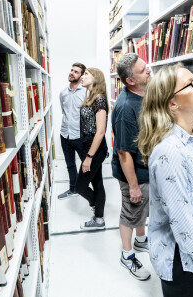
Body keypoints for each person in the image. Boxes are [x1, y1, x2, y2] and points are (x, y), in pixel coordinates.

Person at [138, 63, 193, 297]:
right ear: (172, 104)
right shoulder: (170, 152)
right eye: (192, 83)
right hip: (183, 263)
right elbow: (181, 217)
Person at [111, 53, 151, 281]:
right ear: (130, 81)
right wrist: (133, 186)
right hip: (132, 173)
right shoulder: (126, 107)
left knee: (141, 210)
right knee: (132, 210)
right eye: (142, 69)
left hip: (143, 169)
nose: (148, 70)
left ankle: (141, 240)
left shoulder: (143, 94)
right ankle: (127, 256)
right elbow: (123, 152)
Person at [75, 68, 108, 230]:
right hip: (88, 146)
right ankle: (99, 218)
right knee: (97, 182)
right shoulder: (91, 97)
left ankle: (97, 206)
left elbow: (100, 131)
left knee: (79, 186)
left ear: (96, 78)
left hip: (94, 150)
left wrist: (89, 157)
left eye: (86, 74)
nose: (82, 76)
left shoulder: (99, 99)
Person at [58, 63, 87, 200]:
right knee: (70, 164)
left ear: (81, 76)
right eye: (71, 70)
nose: (72, 73)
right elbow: (64, 112)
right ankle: (73, 189)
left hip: (80, 136)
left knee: (87, 164)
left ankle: (86, 189)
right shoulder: (63, 93)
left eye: (76, 72)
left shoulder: (86, 92)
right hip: (65, 134)